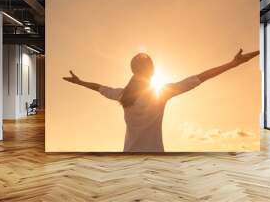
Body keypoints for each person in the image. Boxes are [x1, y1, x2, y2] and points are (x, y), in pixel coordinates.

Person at [63, 49, 259, 152]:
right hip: (157, 154)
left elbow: (99, 88)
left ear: (133, 71)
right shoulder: (162, 93)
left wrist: (79, 82)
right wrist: (233, 64)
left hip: (128, 155)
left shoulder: (123, 95)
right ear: (153, 70)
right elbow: (200, 78)